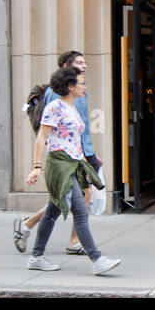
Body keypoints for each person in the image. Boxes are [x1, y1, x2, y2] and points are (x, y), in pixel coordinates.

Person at [24, 63, 121, 275]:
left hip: (72, 165)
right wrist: (37, 167)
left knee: (51, 213)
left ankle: (36, 256)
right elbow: (41, 138)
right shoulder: (54, 107)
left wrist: (86, 162)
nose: (85, 87)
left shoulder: (72, 107)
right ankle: (97, 259)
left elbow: (75, 139)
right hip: (60, 165)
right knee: (80, 212)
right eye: (82, 84)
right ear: (70, 86)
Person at [13, 50, 100, 254]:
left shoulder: (81, 91)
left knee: (68, 199)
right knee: (73, 199)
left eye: (85, 62)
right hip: (65, 159)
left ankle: (31, 231)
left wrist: (90, 153)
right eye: (80, 62)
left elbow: (82, 127)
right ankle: (79, 247)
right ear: (66, 67)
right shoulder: (57, 95)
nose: (85, 65)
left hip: (80, 154)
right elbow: (47, 132)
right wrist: (37, 166)